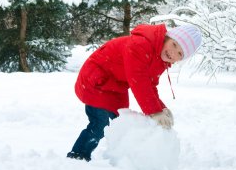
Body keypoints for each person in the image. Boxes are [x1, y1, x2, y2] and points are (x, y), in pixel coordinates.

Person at [67, 23, 202, 161]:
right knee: (100, 123)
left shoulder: (159, 59)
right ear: (167, 37)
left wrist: (162, 108)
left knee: (121, 122)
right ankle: (78, 156)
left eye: (180, 53)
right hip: (97, 79)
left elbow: (150, 85)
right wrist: (155, 111)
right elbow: (138, 80)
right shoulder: (141, 44)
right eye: (174, 45)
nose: (173, 53)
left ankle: (125, 157)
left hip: (115, 85)